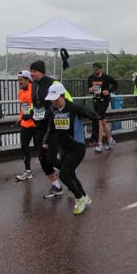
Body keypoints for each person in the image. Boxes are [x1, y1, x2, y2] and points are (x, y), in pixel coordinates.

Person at [43, 83, 99, 215]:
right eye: (51, 99)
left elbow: (95, 117)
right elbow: (51, 127)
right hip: (64, 148)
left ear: (62, 96)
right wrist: (46, 141)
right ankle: (84, 196)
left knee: (64, 174)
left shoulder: (74, 107)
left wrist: (93, 137)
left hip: (77, 147)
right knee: (70, 174)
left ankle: (79, 198)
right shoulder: (53, 109)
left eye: (55, 98)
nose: (53, 101)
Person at [30, 60, 71, 197]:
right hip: (40, 127)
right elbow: (35, 104)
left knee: (52, 158)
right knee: (42, 157)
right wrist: (31, 112)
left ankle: (70, 176)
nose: (32, 73)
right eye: (31, 71)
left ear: (42, 71)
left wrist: (58, 115)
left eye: (34, 71)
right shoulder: (34, 85)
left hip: (54, 127)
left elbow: (68, 101)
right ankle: (56, 185)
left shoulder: (54, 84)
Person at [88, 63, 118, 153]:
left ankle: (99, 143)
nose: (95, 71)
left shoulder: (107, 77)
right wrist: (90, 89)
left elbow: (116, 84)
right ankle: (110, 140)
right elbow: (89, 88)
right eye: (94, 69)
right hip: (95, 101)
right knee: (103, 121)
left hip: (104, 101)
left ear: (101, 69)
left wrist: (108, 91)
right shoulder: (91, 77)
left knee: (99, 119)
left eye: (96, 69)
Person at [16, 70, 38, 181]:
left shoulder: (34, 90)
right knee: (24, 147)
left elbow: (37, 105)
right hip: (25, 124)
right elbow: (23, 107)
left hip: (35, 124)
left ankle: (52, 164)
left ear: (27, 79)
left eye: (21, 80)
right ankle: (28, 171)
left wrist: (31, 114)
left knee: (40, 148)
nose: (19, 82)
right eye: (18, 80)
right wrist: (20, 118)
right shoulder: (20, 93)